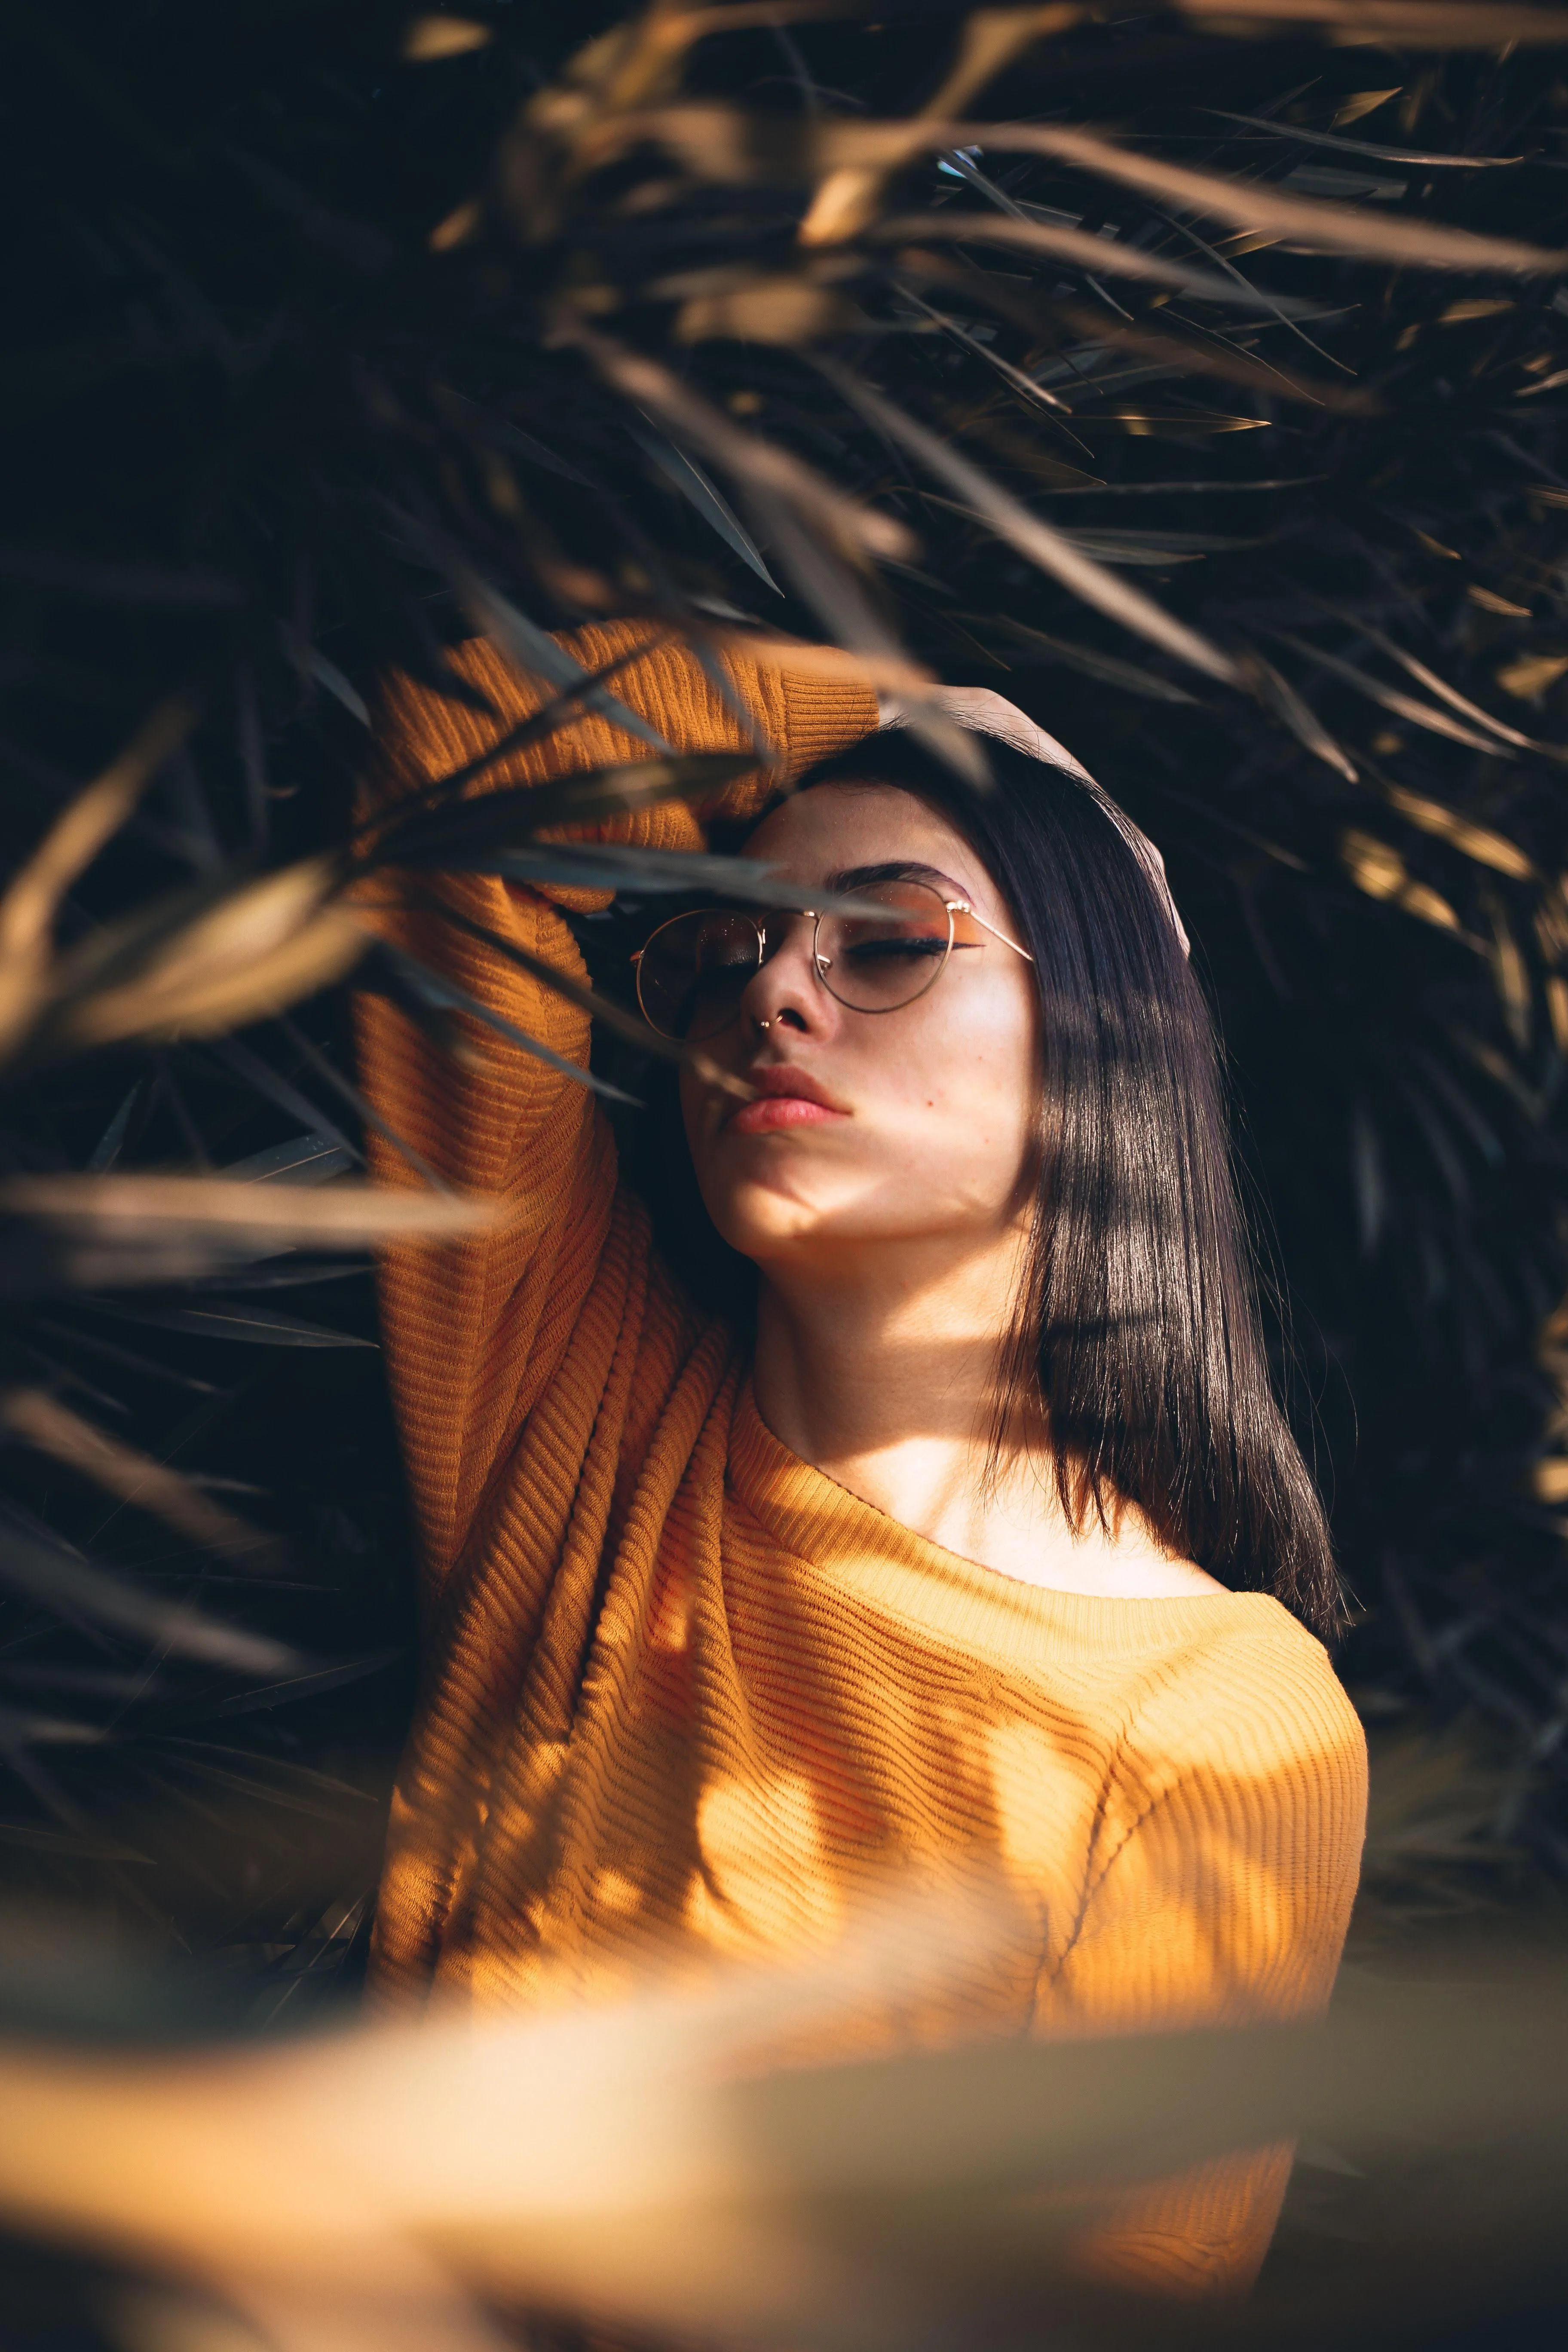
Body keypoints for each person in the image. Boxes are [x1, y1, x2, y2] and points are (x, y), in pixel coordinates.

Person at [355, 621, 1367, 2298]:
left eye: (890, 940)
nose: (771, 993)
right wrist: (898, 710)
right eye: (722, 952)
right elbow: (465, 744)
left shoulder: (1218, 1729)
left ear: (1104, 1041)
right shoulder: (575, 1405)